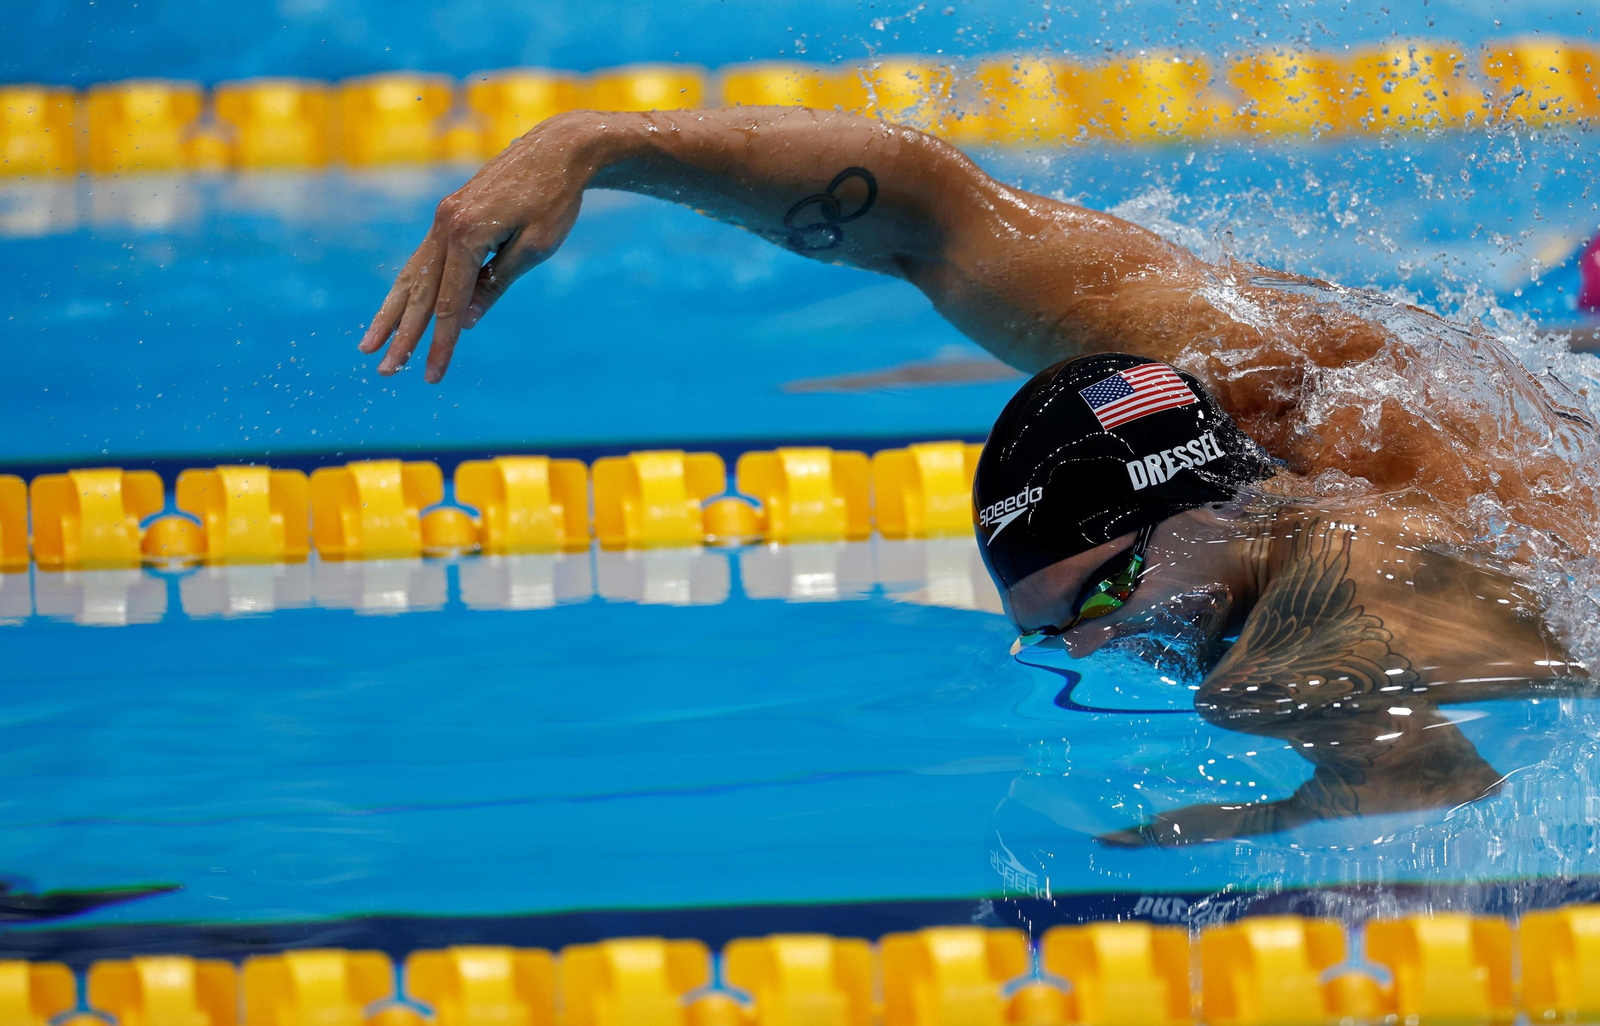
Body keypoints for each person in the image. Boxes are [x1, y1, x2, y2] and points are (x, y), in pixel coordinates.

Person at [361, 108, 1595, 834]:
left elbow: (1430, 784)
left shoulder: (1322, 627)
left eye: (1100, 599)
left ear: (1195, 511)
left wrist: (1264, 812)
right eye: (1051, 626)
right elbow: (934, 215)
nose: (1089, 651)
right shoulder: (1247, 365)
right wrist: (592, 145)